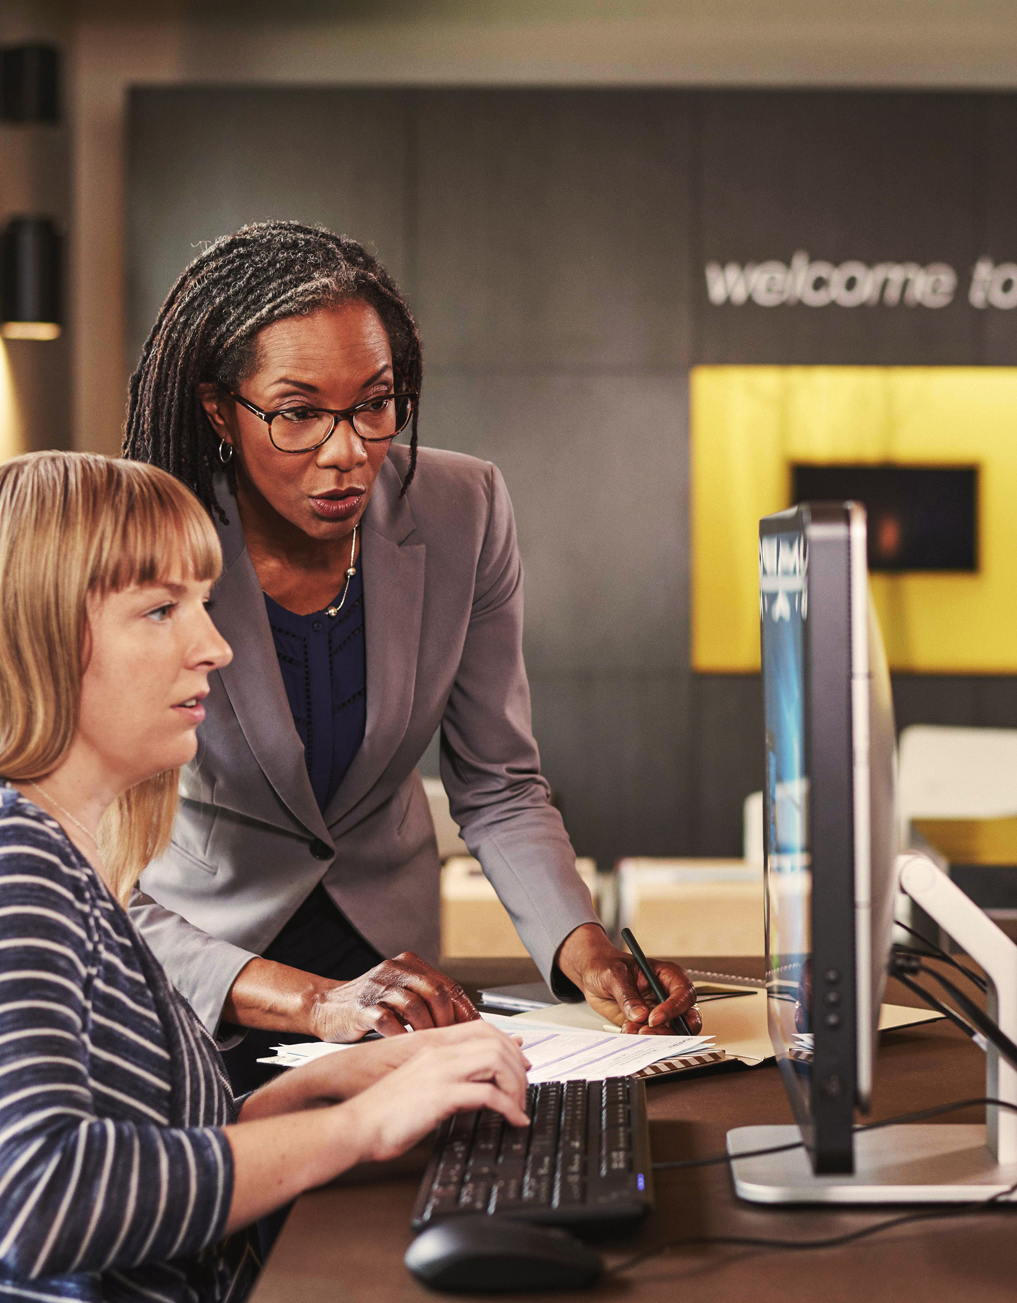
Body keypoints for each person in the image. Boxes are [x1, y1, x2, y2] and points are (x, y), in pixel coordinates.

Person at [0, 454, 531, 1303]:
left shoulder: (52, 850)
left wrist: (321, 1088)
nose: (214, 646)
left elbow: (135, 1133)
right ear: (37, 634)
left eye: (203, 604)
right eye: (160, 609)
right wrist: (360, 1125)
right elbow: (45, 1197)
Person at [122, 220, 696, 1092]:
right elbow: (98, 866)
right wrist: (313, 1000)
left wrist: (586, 952)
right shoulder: (146, 541)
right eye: (299, 413)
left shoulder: (464, 509)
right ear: (219, 410)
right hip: (205, 970)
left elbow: (499, 785)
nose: (347, 450)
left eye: (375, 404)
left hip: (392, 971)